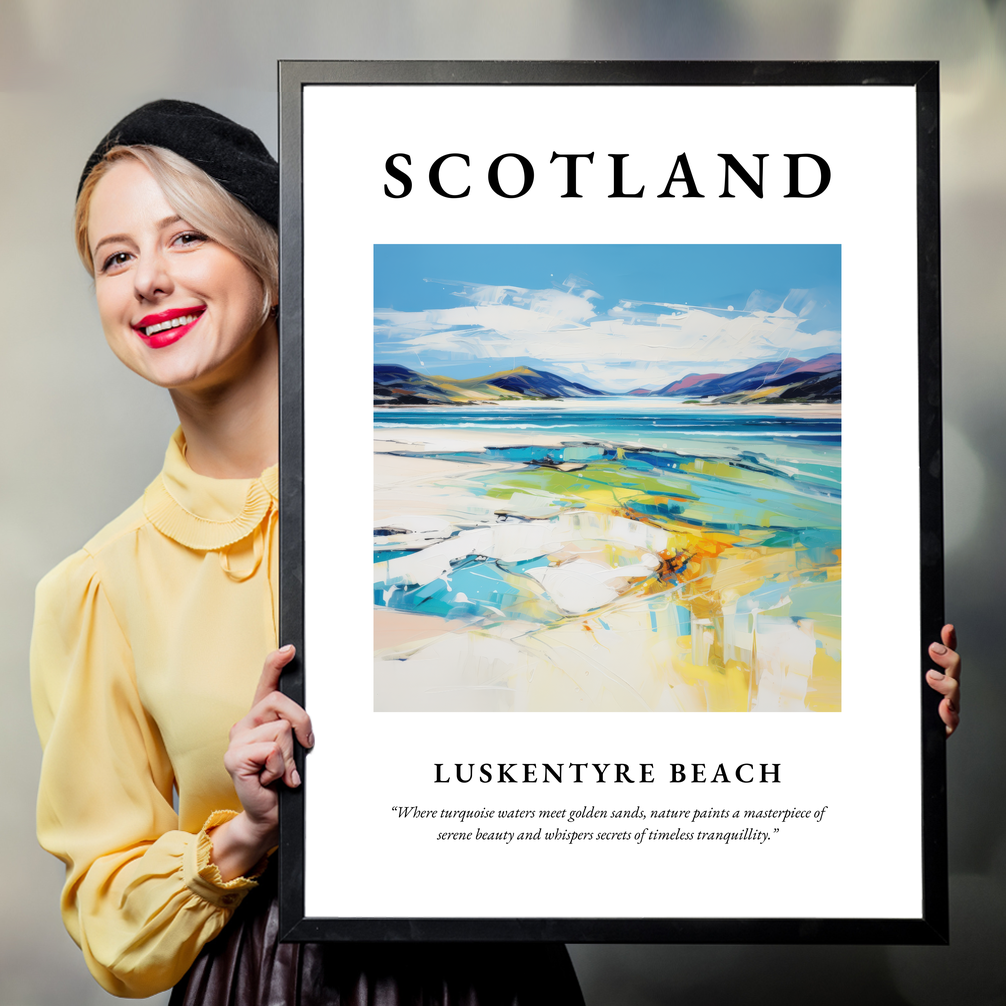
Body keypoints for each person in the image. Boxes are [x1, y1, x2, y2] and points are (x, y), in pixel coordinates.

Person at [30, 100, 586, 1004]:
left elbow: (613, 693)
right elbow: (110, 923)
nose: (148, 281)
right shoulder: (98, 587)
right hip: (263, 982)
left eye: (185, 239)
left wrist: (889, 710)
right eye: (116, 257)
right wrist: (245, 832)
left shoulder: (457, 494)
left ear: (273, 263)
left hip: (493, 973)